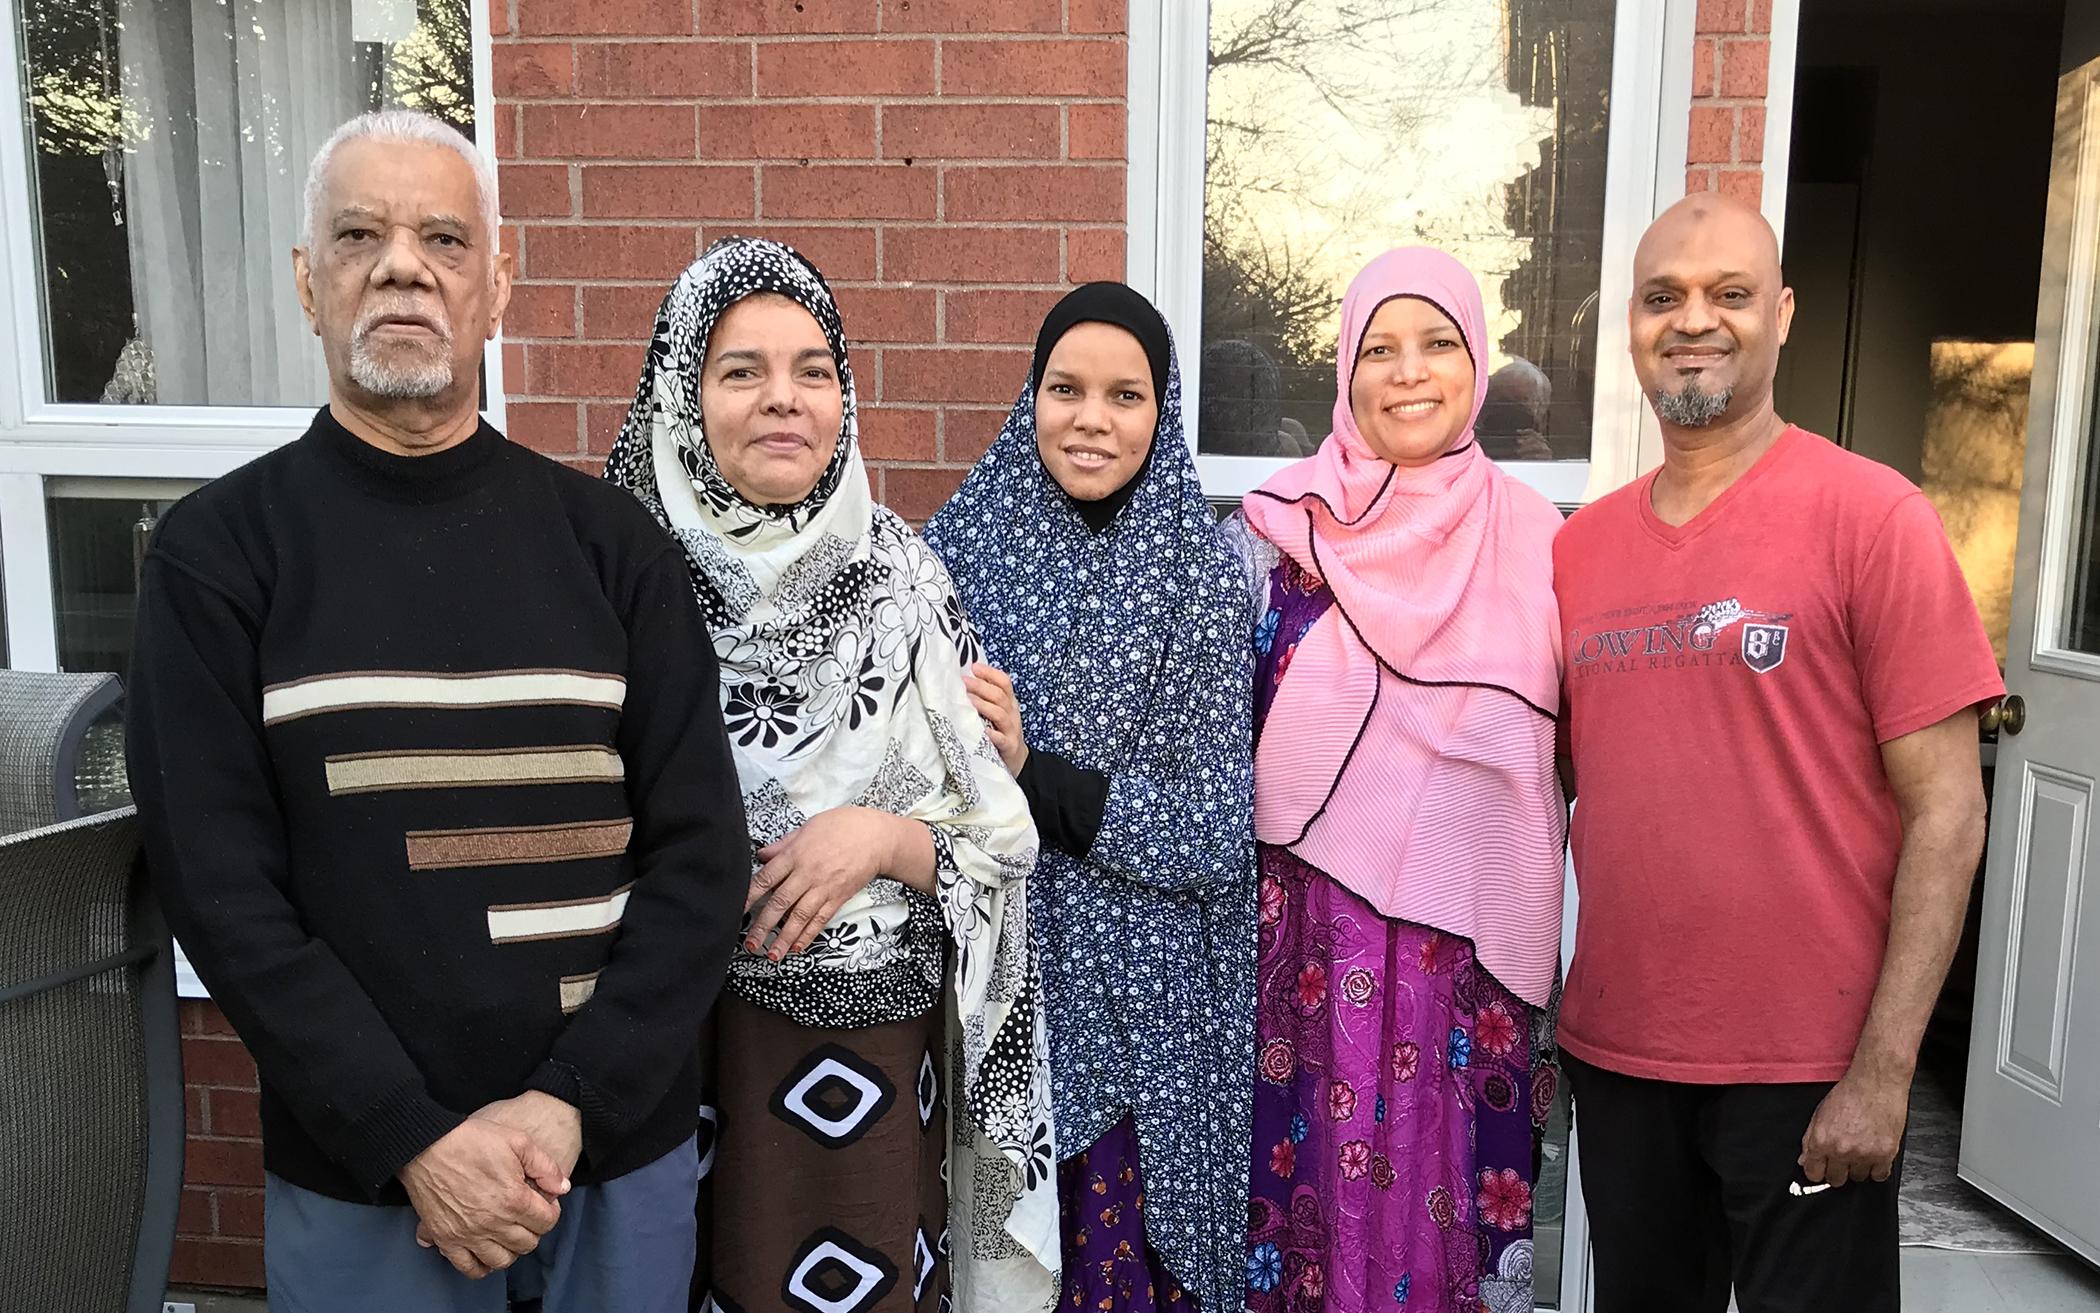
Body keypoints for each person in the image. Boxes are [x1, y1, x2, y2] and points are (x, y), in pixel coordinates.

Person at [124, 109, 747, 1312]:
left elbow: (701, 858)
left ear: (497, 283)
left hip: (614, 1161)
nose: (403, 263)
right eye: (360, 233)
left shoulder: (614, 549)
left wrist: (572, 1103)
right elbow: (222, 892)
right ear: (310, 283)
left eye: (444, 239)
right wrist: (411, 1134)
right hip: (367, 1177)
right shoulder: (219, 559)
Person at [1554, 193, 2003, 1312]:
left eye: (1730, 293)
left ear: (1784, 314)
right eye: (1664, 297)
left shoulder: (1874, 518)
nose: (1693, 320)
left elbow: (1949, 810)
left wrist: (1886, 1070)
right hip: (1621, 1056)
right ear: (1631, 323)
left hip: (1813, 1072)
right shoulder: (1574, 550)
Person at [601, 236, 1059, 1313]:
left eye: (813, 368)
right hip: (669, 1044)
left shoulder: (901, 576)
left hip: (870, 1060)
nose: (783, 399)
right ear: (682, 391)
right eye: (740, 369)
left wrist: (883, 837)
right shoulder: (618, 573)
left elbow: (1001, 836)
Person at [1223, 248, 1567, 1313]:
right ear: (1343, 370)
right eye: (1379, 348)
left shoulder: (1539, 542)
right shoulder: (1272, 534)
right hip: (1299, 947)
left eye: (1437, 344)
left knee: (1444, 1193)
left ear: (1475, 364)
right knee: (1299, 1199)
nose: (1407, 372)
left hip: (1461, 961)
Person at [924, 283, 1256, 1313]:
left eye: (1127, 393)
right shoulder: (956, 551)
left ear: (1164, 412)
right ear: (1031, 396)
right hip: (996, 985)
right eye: (1066, 388)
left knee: (1113, 1271)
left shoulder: (1198, 575)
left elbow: (1212, 833)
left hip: (1143, 1008)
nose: (1093, 418)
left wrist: (1035, 771)